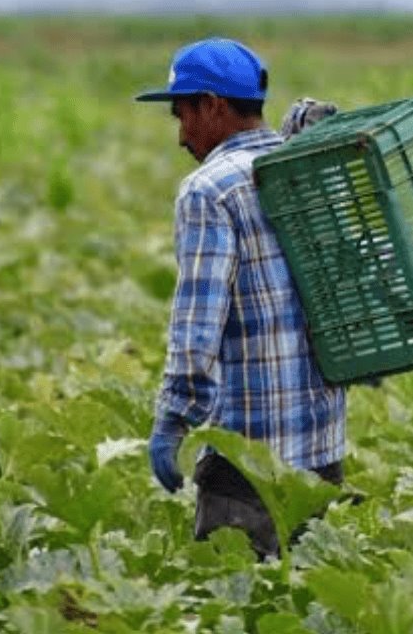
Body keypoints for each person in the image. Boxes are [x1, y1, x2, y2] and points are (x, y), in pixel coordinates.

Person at [135, 39, 346, 558]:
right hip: (322, 452)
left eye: (182, 113)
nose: (182, 134)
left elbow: (197, 324)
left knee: (234, 603)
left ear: (212, 105)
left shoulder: (209, 190)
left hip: (246, 462)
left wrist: (175, 419)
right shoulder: (303, 168)